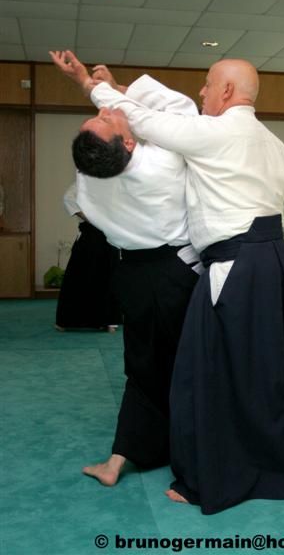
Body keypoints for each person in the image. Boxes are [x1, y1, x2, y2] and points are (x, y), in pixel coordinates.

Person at [51, 51, 284, 515]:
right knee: (267, 367)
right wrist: (113, 92)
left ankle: (217, 476)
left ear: (226, 91)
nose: (200, 92)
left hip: (233, 264)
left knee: (211, 374)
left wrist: (90, 83)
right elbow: (156, 114)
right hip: (270, 260)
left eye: (206, 84)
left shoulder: (209, 135)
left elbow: (150, 118)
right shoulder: (274, 143)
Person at [50, 51, 200, 487]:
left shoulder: (89, 175)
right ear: (130, 143)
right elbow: (180, 112)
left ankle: (120, 460)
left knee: (142, 366)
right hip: (174, 275)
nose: (104, 112)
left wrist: (95, 88)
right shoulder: (161, 165)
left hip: (131, 276)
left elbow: (117, 127)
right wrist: (112, 89)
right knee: (185, 365)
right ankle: (191, 457)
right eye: (106, 119)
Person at [55, 183, 120, 332]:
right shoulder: (83, 182)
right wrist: (90, 218)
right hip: (90, 234)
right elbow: (68, 199)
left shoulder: (115, 182)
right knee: (78, 275)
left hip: (110, 232)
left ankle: (109, 320)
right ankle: (66, 320)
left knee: (108, 275)